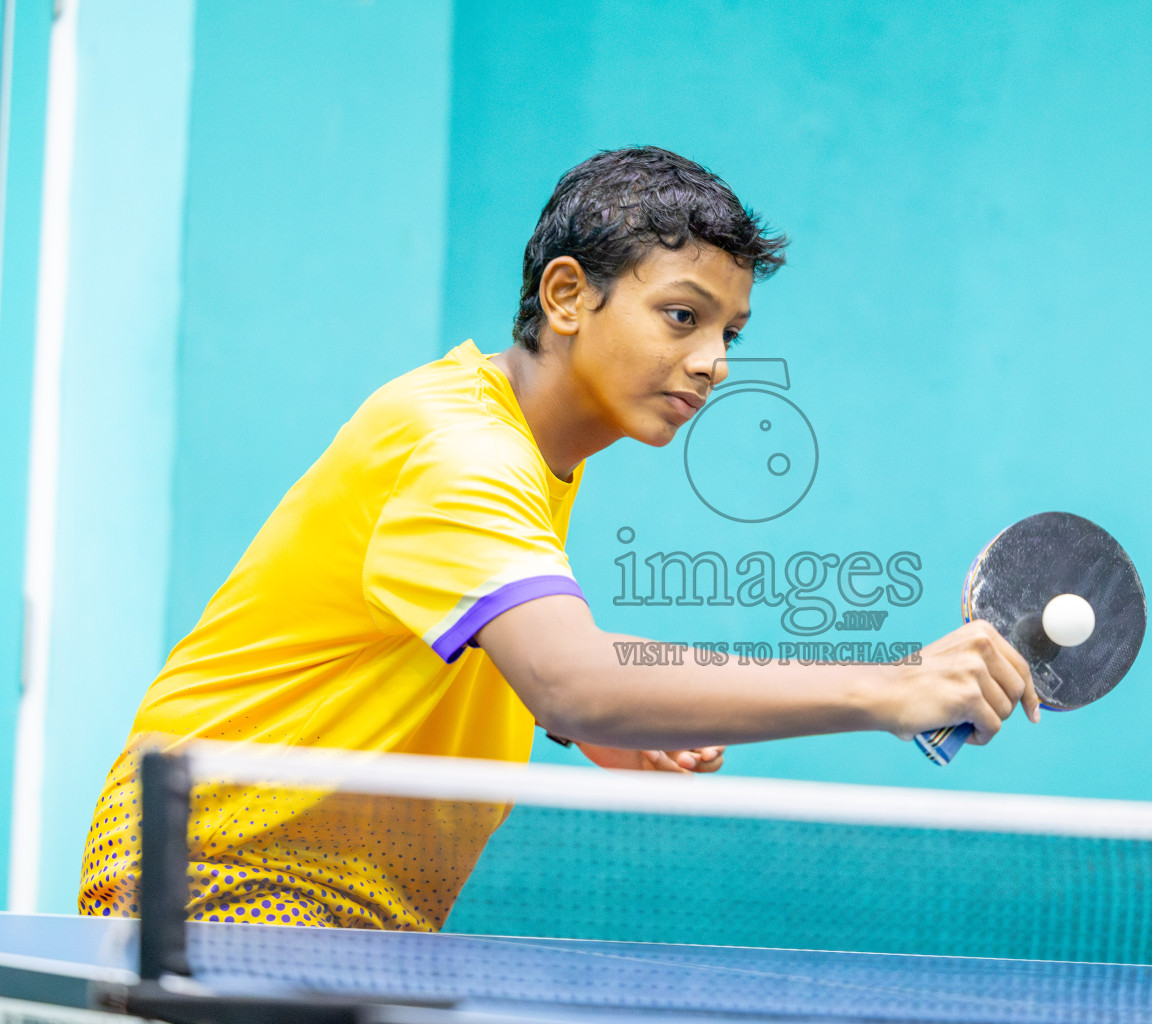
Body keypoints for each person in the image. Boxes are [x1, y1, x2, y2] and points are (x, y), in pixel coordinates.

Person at [79, 146, 1037, 930]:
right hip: (219, 861)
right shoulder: (460, 449)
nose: (712, 362)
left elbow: (460, 638)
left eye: (730, 334)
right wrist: (891, 686)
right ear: (569, 295)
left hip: (344, 897)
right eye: (682, 317)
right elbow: (574, 673)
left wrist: (582, 726)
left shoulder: (530, 452)